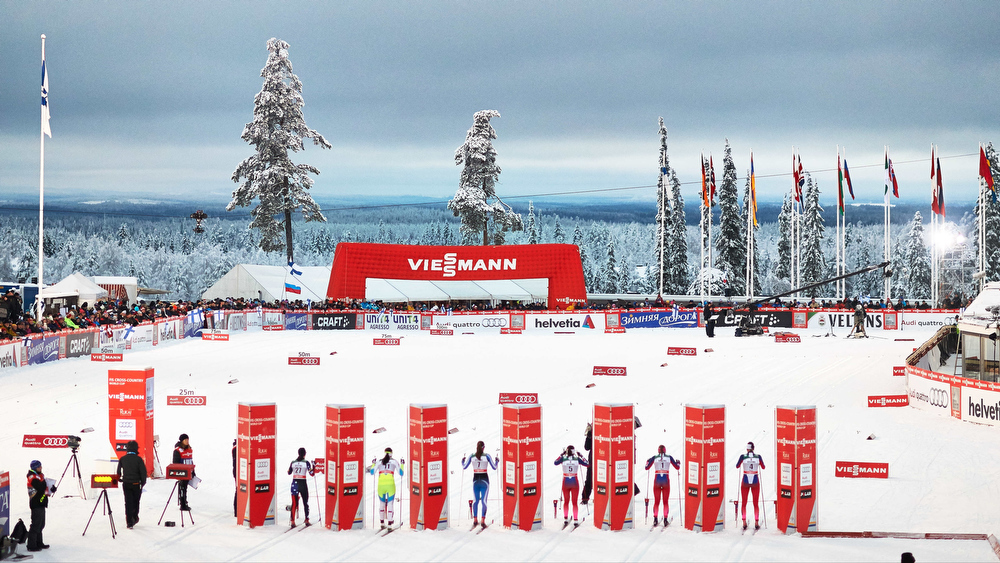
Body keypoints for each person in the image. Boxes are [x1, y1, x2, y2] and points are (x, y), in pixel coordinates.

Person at [461, 441, 497, 529]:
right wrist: (497, 461)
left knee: (475, 500)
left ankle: (475, 520)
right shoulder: (487, 456)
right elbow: (494, 467)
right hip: (485, 480)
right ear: (483, 447)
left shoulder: (472, 456)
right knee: (484, 501)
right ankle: (483, 521)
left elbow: (464, 467)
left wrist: (462, 461)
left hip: (475, 480)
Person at [367, 447, 404, 530]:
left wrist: (373, 463)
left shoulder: (379, 462)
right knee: (390, 504)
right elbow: (401, 473)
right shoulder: (394, 461)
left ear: (385, 453)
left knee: (381, 504)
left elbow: (372, 472)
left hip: (381, 485)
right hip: (390, 484)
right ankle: (390, 523)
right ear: (391, 453)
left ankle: (382, 522)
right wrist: (402, 464)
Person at [554, 445, 589, 528]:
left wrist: (561, 455)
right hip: (574, 482)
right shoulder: (577, 459)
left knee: (566, 501)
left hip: (566, 481)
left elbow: (555, 462)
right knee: (574, 502)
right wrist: (581, 456)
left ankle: (565, 518)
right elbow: (587, 464)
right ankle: (576, 519)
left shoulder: (563, 458)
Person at [644, 445, 680, 527]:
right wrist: (678, 462)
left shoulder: (654, 457)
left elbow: (646, 468)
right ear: (665, 450)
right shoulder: (669, 457)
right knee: (665, 501)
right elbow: (677, 467)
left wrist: (647, 462)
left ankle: (655, 519)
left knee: (657, 501)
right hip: (666, 481)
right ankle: (665, 519)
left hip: (657, 481)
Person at [117, 440, 147, 529]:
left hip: (126, 484)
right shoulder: (139, 459)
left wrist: (120, 479)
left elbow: (118, 472)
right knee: (136, 501)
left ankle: (129, 521)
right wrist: (142, 483)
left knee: (128, 502)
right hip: (136, 484)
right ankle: (134, 517)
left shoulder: (122, 459)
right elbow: (143, 473)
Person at [735, 441, 765, 531]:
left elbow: (737, 466)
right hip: (755, 481)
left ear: (747, 449)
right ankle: (756, 522)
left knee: (744, 502)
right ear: (754, 448)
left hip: (745, 481)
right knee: (755, 503)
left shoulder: (743, 457)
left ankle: (744, 522)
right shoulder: (758, 457)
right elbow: (763, 467)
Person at [25, 460, 53, 551]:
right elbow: (41, 488)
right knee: (36, 525)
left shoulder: (40, 475)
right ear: (34, 468)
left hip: (41, 503)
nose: (41, 468)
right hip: (36, 503)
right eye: (39, 467)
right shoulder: (32, 477)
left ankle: (39, 543)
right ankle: (31, 545)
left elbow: (44, 488)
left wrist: (52, 488)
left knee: (41, 524)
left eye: (41, 466)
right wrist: (46, 484)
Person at [287, 447, 314, 526]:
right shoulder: (306, 462)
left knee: (294, 503)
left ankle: (292, 521)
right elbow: (312, 474)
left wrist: (289, 470)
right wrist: (314, 466)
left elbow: (289, 472)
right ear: (305, 454)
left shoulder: (293, 462)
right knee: (305, 502)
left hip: (294, 483)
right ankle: (307, 520)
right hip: (302, 483)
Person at [172, 433, 194, 511]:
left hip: (188, 472)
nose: (187, 441)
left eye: (188, 440)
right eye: (185, 440)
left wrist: (193, 471)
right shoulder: (177, 450)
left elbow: (190, 460)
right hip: (182, 473)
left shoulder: (189, 449)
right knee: (182, 488)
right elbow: (175, 463)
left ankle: (185, 501)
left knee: (185, 488)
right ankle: (183, 504)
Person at [581, 423, 593, 505]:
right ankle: (585, 498)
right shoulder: (591, 434)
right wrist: (589, 437)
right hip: (592, 460)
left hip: (604, 460)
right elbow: (587, 447)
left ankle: (633, 490)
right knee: (589, 480)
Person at [232, 439, 238, 518]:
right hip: (238, 473)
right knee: (238, 490)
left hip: (240, 472)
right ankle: (236, 511)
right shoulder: (235, 449)